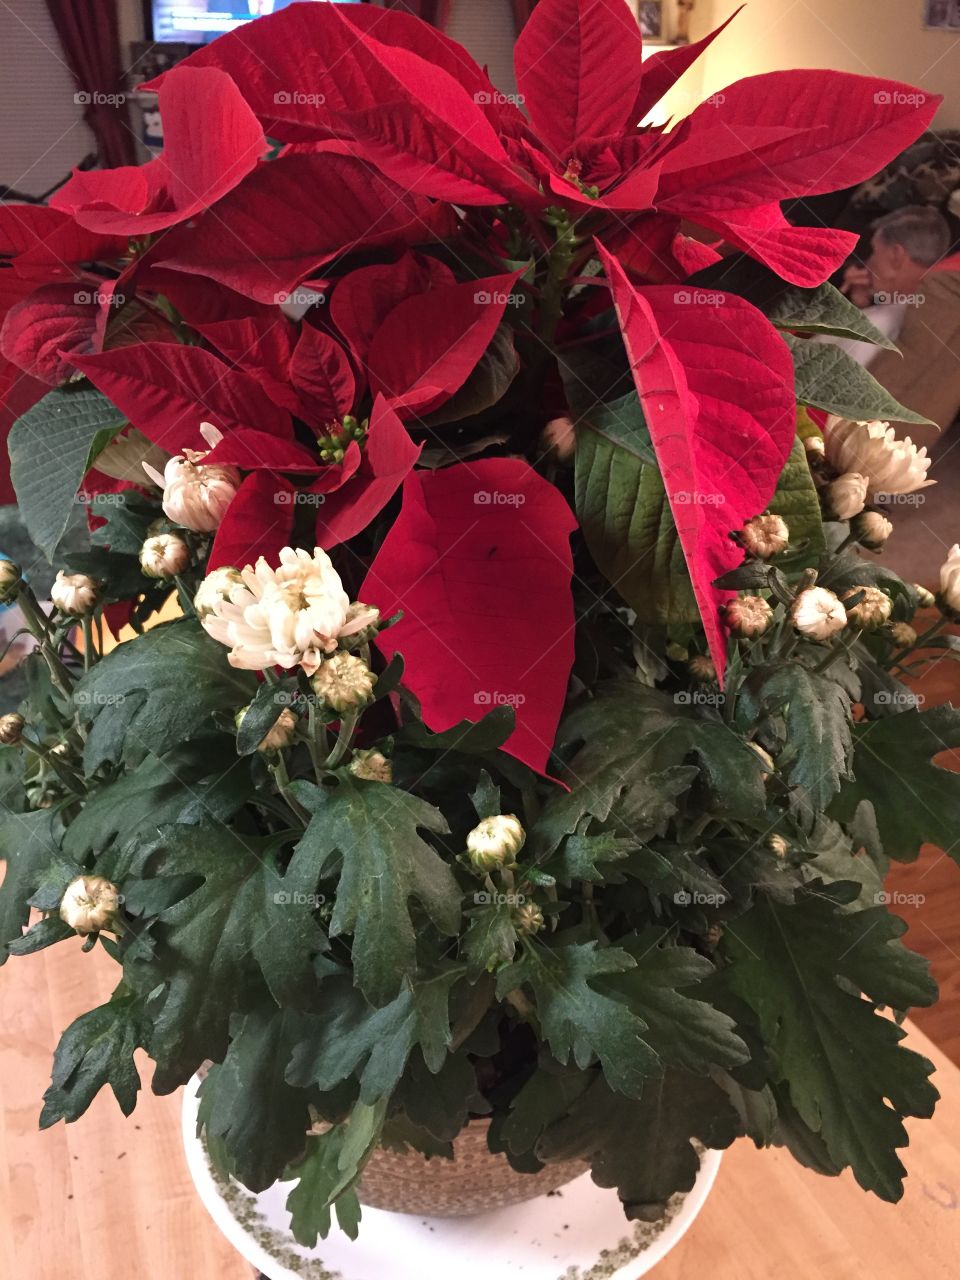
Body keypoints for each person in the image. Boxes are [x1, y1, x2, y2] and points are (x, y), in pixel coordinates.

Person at [826, 205, 951, 367]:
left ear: (896, 256)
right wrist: (858, 306)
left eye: (875, 251)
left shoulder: (871, 330)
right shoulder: (925, 313)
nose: (868, 262)